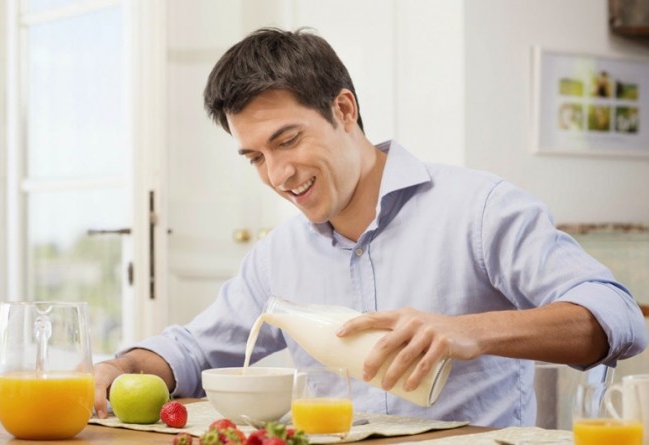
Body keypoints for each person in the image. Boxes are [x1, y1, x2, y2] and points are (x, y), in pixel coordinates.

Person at [93, 27, 647, 427]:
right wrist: (122, 366)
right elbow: (193, 349)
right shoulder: (278, 255)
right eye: (255, 157)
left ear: (344, 109)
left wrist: (473, 332)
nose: (278, 174)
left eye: (287, 140)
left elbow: (617, 315)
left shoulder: (479, 209)